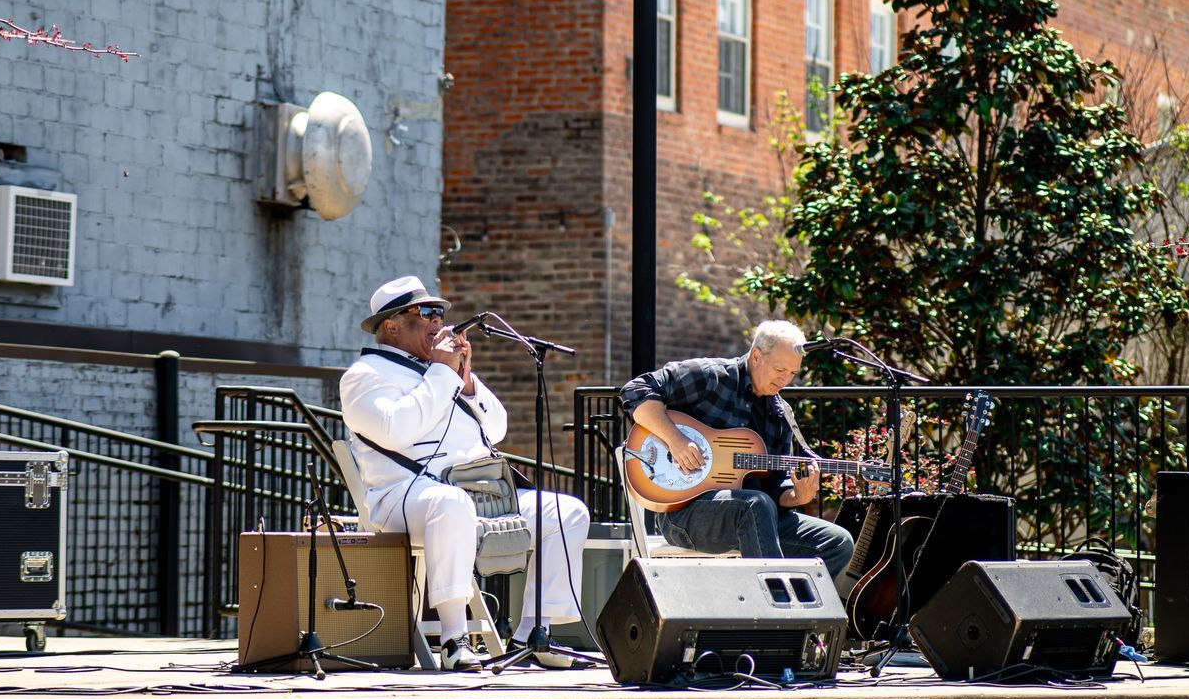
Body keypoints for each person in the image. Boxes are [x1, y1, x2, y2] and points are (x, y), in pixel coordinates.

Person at [340, 276, 588, 671]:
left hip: (481, 493)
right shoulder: (365, 375)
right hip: (406, 496)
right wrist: (441, 374)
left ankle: (534, 633)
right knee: (451, 504)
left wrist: (467, 382)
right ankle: (455, 639)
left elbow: (497, 428)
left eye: (440, 311)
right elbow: (394, 429)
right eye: (425, 312)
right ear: (391, 326)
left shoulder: (445, 369)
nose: (438, 320)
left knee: (567, 512)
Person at [619, 319, 853, 577]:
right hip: (685, 515)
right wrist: (675, 439)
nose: (785, 380)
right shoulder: (710, 377)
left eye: (792, 373)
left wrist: (799, 497)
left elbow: (775, 489)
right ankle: (775, 610)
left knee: (837, 541)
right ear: (756, 356)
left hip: (755, 517)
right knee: (755, 505)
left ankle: (794, 607)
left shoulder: (779, 414)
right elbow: (635, 390)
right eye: (779, 369)